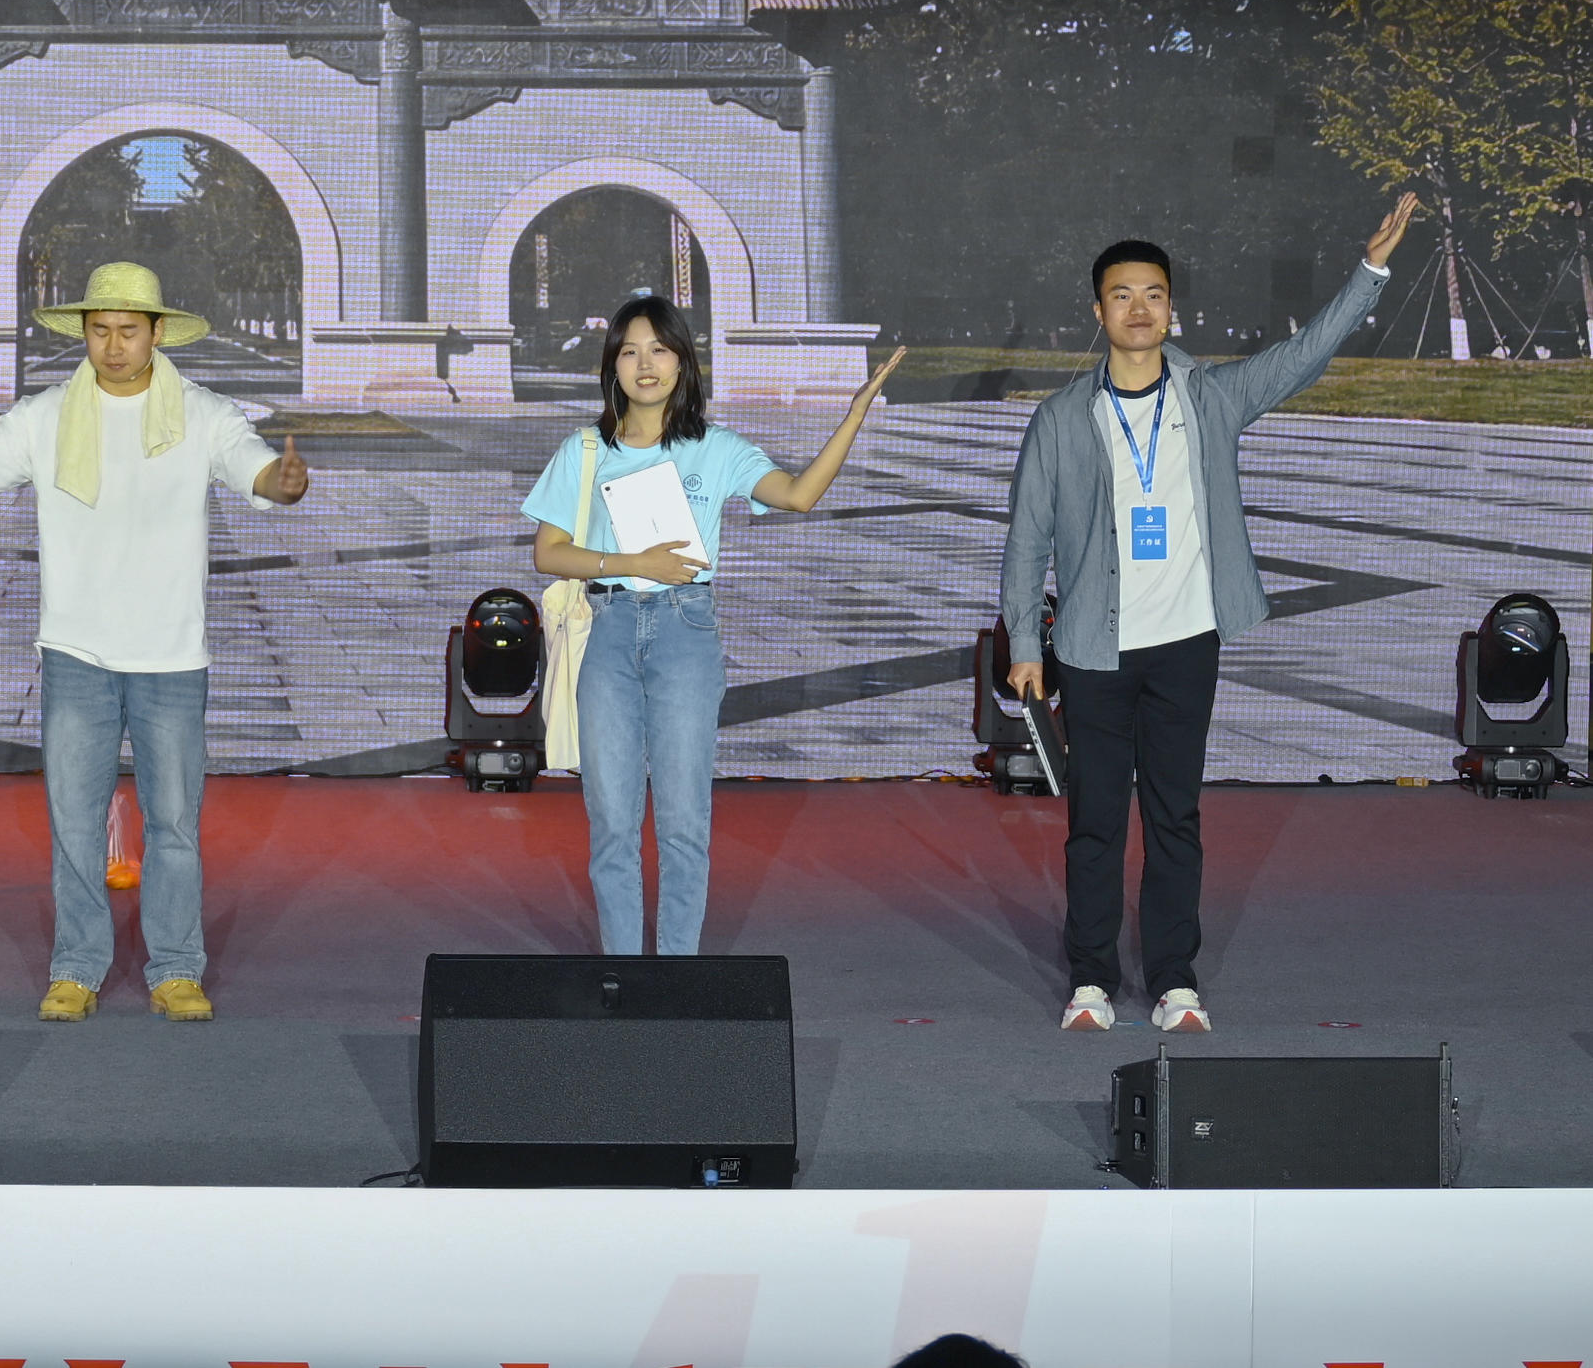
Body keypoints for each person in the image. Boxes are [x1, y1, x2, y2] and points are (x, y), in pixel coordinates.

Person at [1002, 195, 1417, 1035]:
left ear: (1170, 309)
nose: (1138, 309)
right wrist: (1022, 641)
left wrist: (1369, 271)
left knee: (1174, 816)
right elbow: (1026, 535)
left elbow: (1303, 355)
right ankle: (1090, 980)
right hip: (1092, 650)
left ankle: (1173, 981)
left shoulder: (1212, 397)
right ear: (1097, 311)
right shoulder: (1060, 418)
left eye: (1152, 294)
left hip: (1185, 643)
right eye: (1121, 295)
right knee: (1093, 822)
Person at [0, 262, 308, 1022]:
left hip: (171, 656)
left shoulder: (203, 413)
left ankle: (176, 968)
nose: (113, 346)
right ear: (83, 332)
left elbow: (258, 470)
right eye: (100, 330)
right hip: (76, 652)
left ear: (157, 333)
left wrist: (285, 481)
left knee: (173, 826)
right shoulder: (45, 415)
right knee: (74, 823)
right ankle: (76, 966)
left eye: (128, 331)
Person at [524, 296, 903, 955]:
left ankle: (675, 975)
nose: (645, 364)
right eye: (629, 351)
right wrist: (631, 562)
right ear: (612, 366)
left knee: (682, 824)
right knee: (611, 825)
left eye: (659, 349)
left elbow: (798, 495)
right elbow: (548, 552)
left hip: (684, 633)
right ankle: (624, 973)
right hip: (608, 629)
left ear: (682, 362)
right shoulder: (584, 450)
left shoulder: (717, 447)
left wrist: (853, 416)